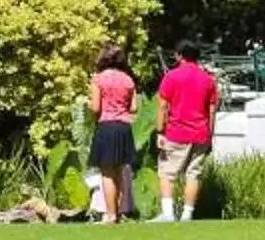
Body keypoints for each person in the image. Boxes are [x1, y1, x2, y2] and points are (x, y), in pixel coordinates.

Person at [153, 39, 220, 222]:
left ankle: (168, 214)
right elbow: (212, 110)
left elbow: (163, 106)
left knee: (167, 173)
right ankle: (187, 213)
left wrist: (160, 131)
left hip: (177, 132)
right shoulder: (208, 79)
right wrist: (210, 135)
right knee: (193, 174)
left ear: (178, 55)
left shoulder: (172, 77)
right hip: (201, 133)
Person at [87, 44, 139, 225]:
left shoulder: (98, 80)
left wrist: (89, 107)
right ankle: (117, 211)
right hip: (124, 128)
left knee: (107, 173)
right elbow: (134, 107)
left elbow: (95, 107)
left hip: (106, 126)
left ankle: (110, 215)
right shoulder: (128, 80)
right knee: (118, 171)